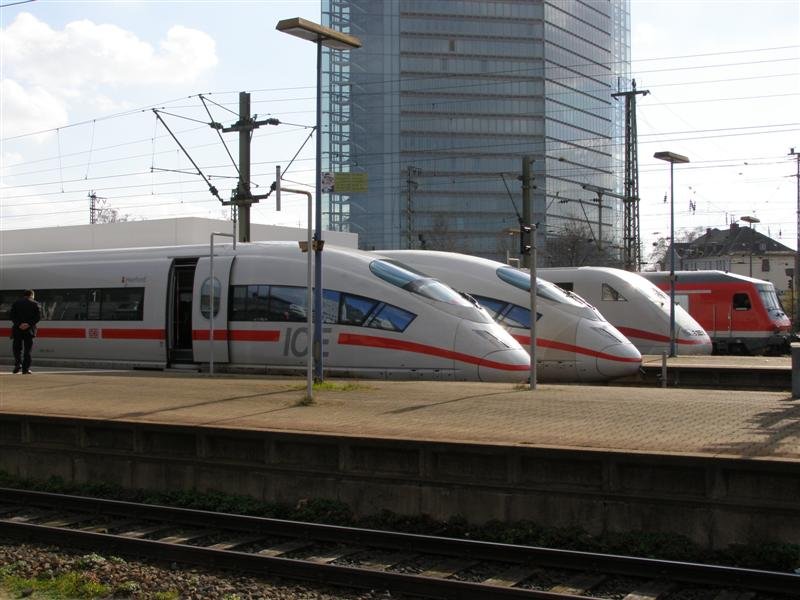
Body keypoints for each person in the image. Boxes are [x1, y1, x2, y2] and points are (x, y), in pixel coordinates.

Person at [10, 289, 41, 374]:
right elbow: (38, 317)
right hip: (29, 330)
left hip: (17, 329)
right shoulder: (36, 304)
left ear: (24, 295)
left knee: (17, 349)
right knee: (28, 350)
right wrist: (28, 324)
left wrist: (19, 324)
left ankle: (18, 364)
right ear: (32, 295)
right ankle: (25, 369)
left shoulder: (16, 303)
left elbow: (12, 316)